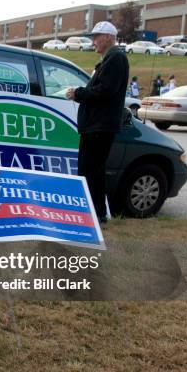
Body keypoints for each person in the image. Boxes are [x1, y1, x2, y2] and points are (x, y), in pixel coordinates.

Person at [66, 21, 129, 223]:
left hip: (100, 126)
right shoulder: (109, 58)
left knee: (90, 171)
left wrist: (78, 93)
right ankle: (96, 213)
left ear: (109, 37)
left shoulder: (116, 58)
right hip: (96, 125)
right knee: (93, 171)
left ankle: (95, 214)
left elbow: (105, 90)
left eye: (96, 36)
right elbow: (103, 88)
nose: (93, 41)